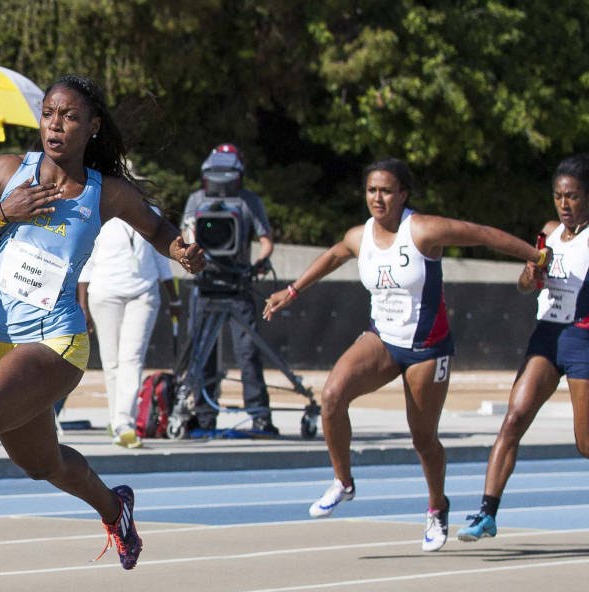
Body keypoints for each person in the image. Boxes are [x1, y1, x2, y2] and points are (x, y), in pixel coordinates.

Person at [0, 74, 205, 592]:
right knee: (44, 464)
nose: (56, 125)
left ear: (92, 127)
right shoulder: (4, 173)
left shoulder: (103, 191)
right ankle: (115, 508)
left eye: (69, 116)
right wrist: (2, 215)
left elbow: (157, 226)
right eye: (49, 114)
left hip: (56, 342)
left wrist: (181, 250)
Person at [262, 158, 552, 552]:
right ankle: (343, 482)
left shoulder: (423, 230)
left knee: (423, 439)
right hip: (382, 339)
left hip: (427, 349)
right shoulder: (358, 236)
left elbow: (482, 234)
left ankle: (437, 507)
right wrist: (292, 291)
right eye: (371, 190)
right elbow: (333, 256)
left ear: (402, 194)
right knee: (331, 396)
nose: (377, 198)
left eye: (385, 191)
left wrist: (535, 256)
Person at [458, 154, 589, 542]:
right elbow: (523, 285)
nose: (565, 205)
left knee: (586, 444)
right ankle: (486, 513)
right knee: (513, 419)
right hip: (547, 336)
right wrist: (530, 274)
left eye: (574, 197)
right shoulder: (547, 233)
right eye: (559, 196)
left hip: (583, 338)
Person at [181, 144, 276, 434]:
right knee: (204, 351)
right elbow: (187, 235)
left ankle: (254, 412)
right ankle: (209, 414)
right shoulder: (198, 200)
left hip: (237, 284)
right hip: (208, 283)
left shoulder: (246, 201)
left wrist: (257, 263)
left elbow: (265, 240)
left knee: (246, 350)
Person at [76, 208, 182, 448]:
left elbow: (161, 259)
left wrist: (175, 298)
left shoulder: (148, 213)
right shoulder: (99, 213)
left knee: (132, 358)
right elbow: (87, 262)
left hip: (143, 295)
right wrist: (82, 306)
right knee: (112, 362)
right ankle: (117, 420)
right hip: (104, 294)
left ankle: (125, 424)